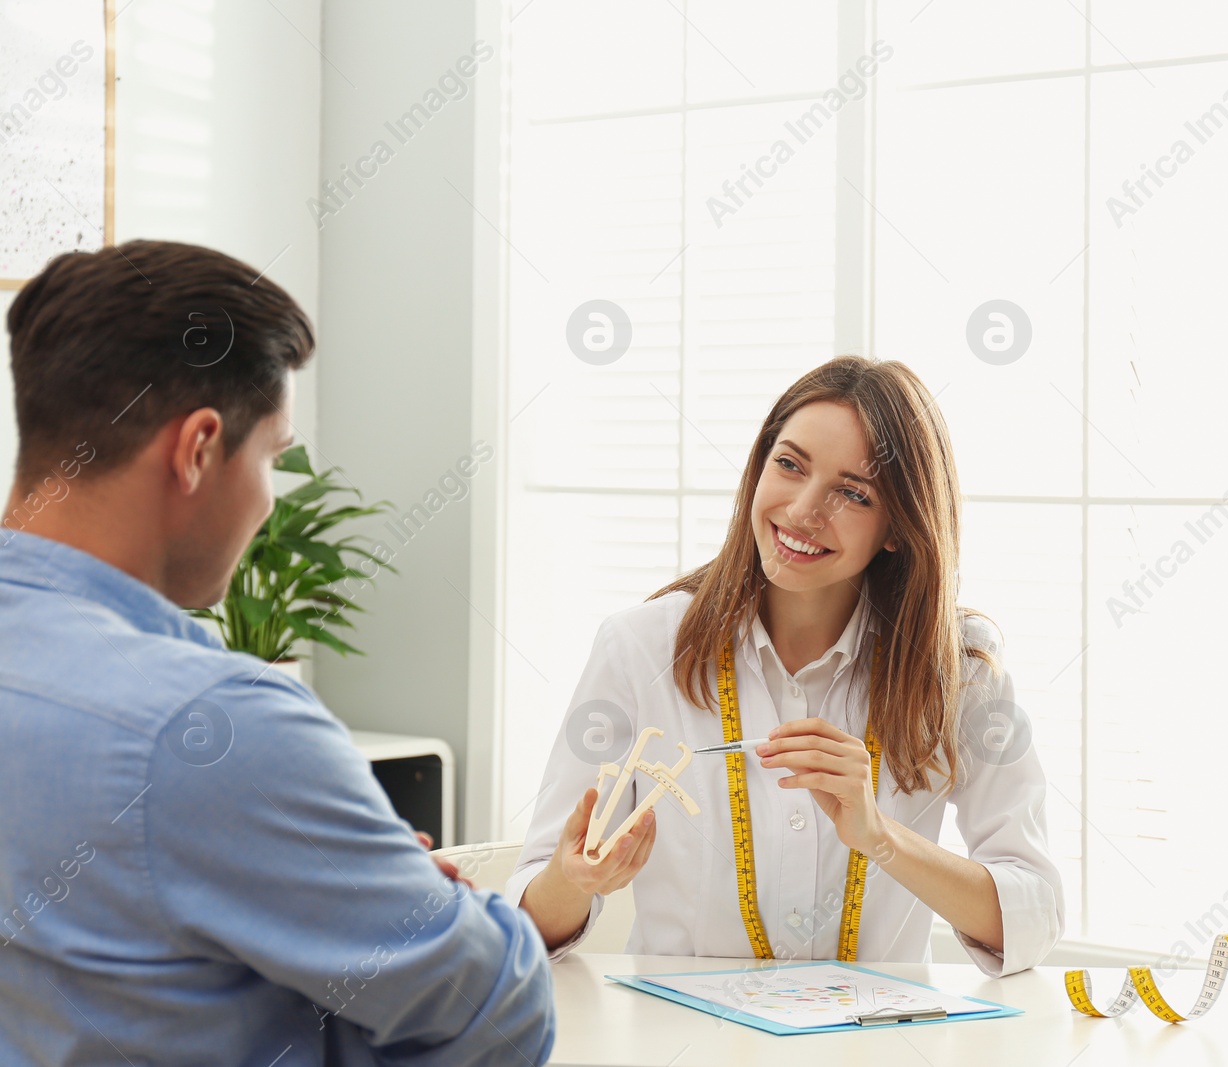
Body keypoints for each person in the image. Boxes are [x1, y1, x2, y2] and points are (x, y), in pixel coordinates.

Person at [0, 241, 554, 1065]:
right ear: (196, 450)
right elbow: (501, 1015)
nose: (267, 497)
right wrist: (415, 888)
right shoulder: (217, 727)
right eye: (272, 456)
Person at [510, 357, 1062, 976]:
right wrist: (573, 877)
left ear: (898, 528)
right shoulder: (640, 648)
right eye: (790, 464)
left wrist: (880, 835)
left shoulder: (956, 666)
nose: (802, 510)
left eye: (853, 493)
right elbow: (528, 924)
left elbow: (1033, 915)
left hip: (870, 1047)